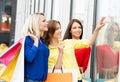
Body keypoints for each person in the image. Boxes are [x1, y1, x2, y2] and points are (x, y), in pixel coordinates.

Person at [44, 17, 105, 82]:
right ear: (50, 32)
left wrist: (97, 29)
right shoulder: (47, 50)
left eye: (60, 28)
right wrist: (60, 53)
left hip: (77, 79)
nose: (60, 30)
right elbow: (56, 70)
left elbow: (90, 42)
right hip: (63, 79)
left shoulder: (68, 42)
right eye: (57, 29)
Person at [23, 13, 49, 82]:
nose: (47, 23)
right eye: (44, 21)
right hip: (31, 79)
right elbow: (29, 58)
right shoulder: (28, 39)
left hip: (41, 79)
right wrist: (35, 42)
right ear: (35, 23)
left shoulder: (41, 40)